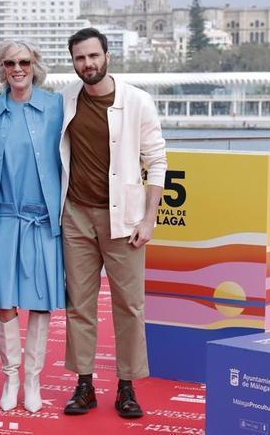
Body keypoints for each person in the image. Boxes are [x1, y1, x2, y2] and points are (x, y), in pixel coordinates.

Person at [59, 28, 167, 419]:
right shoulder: (67, 99)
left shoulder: (137, 101)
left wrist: (149, 218)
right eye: (79, 58)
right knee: (79, 306)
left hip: (124, 220)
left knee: (129, 306)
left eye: (92, 56)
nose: (87, 64)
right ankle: (84, 385)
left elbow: (157, 161)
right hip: (75, 216)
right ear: (73, 62)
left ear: (107, 55)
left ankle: (127, 386)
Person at [0, 41, 64, 413]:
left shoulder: (56, 106)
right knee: (6, 301)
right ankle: (11, 375)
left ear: (35, 65)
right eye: (10, 62)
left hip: (44, 219)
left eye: (25, 61)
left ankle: (33, 378)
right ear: (1, 67)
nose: (18, 68)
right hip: (5, 217)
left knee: (40, 302)